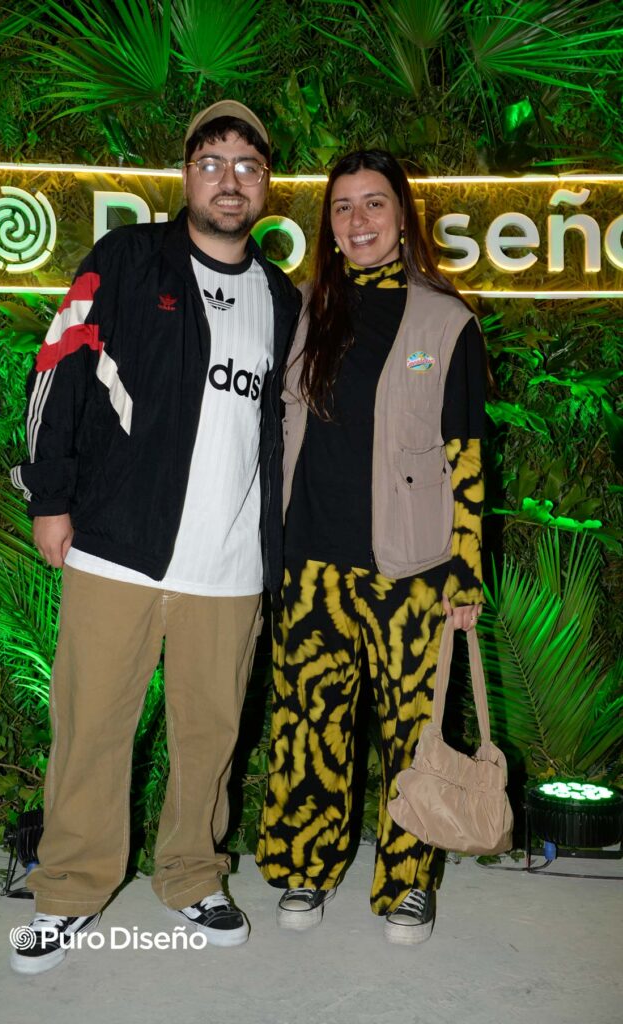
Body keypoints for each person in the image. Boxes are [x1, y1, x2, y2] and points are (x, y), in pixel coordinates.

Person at [9, 100, 300, 972]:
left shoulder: (284, 299)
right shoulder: (128, 260)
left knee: (210, 736)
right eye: (211, 162)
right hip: (117, 547)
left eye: (246, 166)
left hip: (231, 566)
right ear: (186, 176)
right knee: (91, 728)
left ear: (266, 186)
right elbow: (58, 365)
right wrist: (49, 497)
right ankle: (69, 889)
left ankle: (192, 875)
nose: (228, 180)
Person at [256, 149, 486, 945]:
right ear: (329, 223)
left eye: (374, 203)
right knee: (307, 725)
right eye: (343, 206)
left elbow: (466, 454)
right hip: (310, 560)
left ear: (402, 215)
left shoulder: (445, 321)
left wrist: (465, 573)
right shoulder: (301, 309)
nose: (358, 221)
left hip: (410, 570)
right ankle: (304, 866)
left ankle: (408, 883)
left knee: (410, 733)